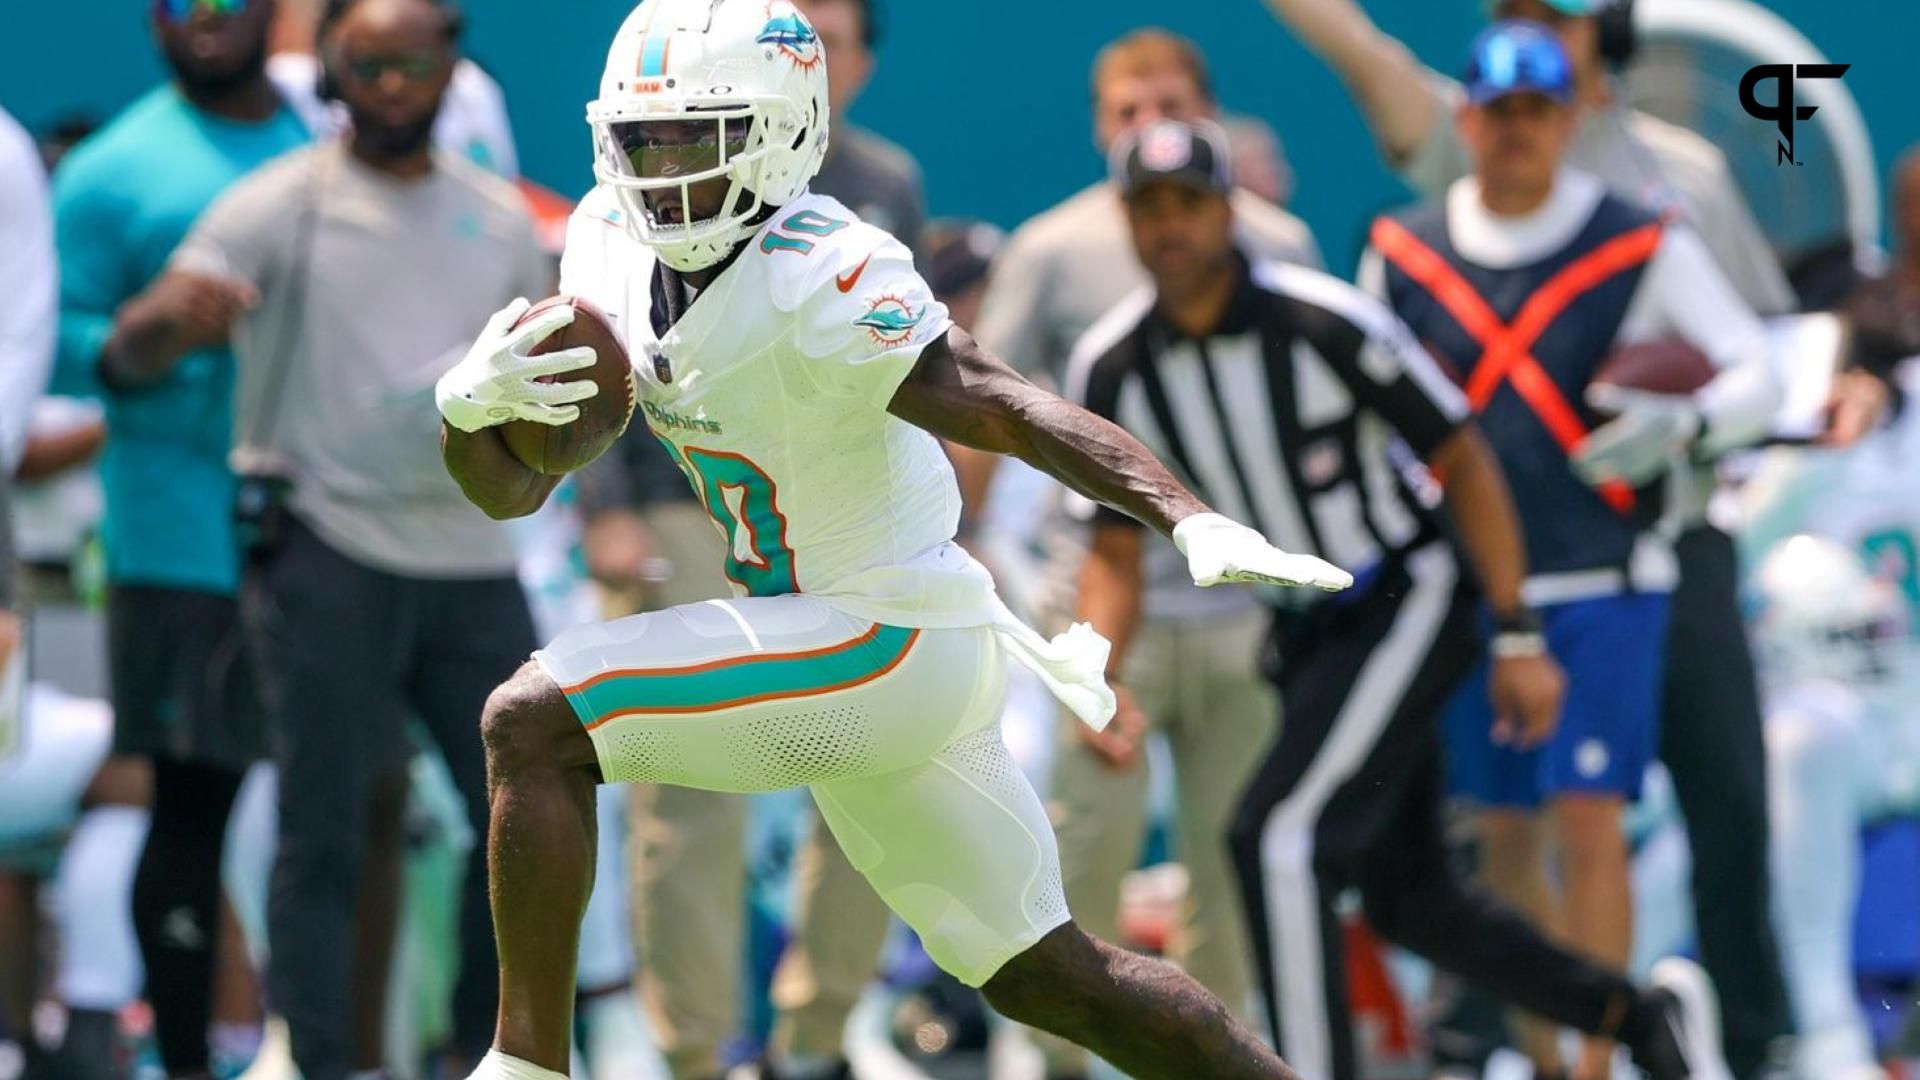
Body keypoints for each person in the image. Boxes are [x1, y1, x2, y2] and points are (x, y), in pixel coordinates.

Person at [434, 4, 1367, 1079]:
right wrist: (466, 417)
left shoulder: (823, 266)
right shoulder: (604, 239)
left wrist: (1181, 512)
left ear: (786, 130)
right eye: (646, 141)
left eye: (702, 137)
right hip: (847, 640)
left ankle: (525, 1067)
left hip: (886, 634)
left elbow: (1002, 403)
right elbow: (508, 492)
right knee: (1051, 977)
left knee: (533, 721)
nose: (668, 170)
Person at [1077, 114, 1726, 1080]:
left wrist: (1513, 633)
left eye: (1189, 204)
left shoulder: (1323, 320)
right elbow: (1115, 550)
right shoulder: (1115, 364)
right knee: (1411, 900)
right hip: (1304, 630)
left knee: (1279, 837)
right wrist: (1095, 673)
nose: (1170, 228)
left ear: (1230, 211)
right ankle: (1635, 1017)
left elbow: (1462, 455)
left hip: (1405, 592)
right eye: (1149, 208)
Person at [1257, 1, 1797, 1069]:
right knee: (1502, 832)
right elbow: (1368, 409)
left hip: (1607, 574)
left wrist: (1680, 424)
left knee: (1589, 818)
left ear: (1572, 114)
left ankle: (1600, 1059)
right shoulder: (1405, 251)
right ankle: (1545, 1054)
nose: (1516, 131)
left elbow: (1759, 368)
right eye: (1498, 110)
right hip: (1471, 590)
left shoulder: (1635, 236)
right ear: (1467, 121)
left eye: (1537, 111)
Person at [125, 0, 548, 1075]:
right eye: (367, 66)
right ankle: (319, 1059)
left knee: (534, 806)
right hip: (326, 547)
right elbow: (130, 353)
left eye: (415, 64)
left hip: (472, 559)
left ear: (455, 68)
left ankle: (487, 1051)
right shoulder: (276, 203)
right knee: (323, 827)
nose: (394, 87)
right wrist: (170, 319)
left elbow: (547, 407)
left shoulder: (502, 223)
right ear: (329, 74)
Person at [963, 34, 1322, 1073]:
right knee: (1075, 856)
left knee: (1229, 867)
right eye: (1125, 110)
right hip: (1101, 601)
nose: (1146, 127)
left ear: (1211, 116)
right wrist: (959, 541)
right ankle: (1048, 1066)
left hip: (1244, 612)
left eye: (1166, 103)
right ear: (1098, 130)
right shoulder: (1053, 253)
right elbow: (982, 403)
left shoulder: (1286, 248)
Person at [51, 0, 311, 1073]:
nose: (206, 17)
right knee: (189, 809)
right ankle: (192, 1062)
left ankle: (330, 1049)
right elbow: (51, 346)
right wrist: (145, 330)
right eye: (178, 2)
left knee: (336, 813)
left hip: (330, 531)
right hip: (175, 541)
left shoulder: (326, 146)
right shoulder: (109, 170)